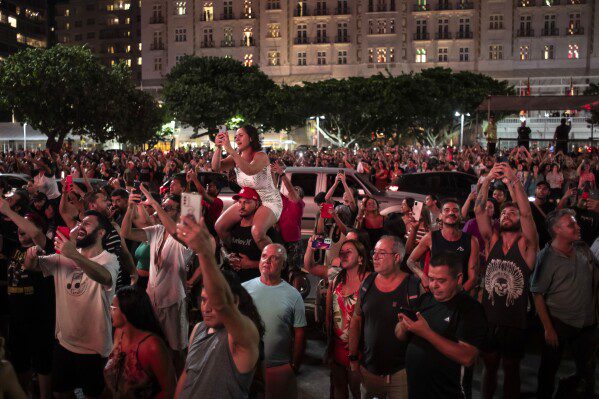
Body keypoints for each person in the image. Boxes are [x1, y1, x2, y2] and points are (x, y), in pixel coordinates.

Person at [24, 210, 120, 399]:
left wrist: (75, 255)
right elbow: (32, 266)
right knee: (61, 393)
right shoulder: (63, 256)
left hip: (94, 348)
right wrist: (31, 255)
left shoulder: (109, 259)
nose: (81, 226)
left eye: (87, 224)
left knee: (96, 394)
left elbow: (105, 277)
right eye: (80, 222)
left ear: (101, 233)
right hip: (65, 343)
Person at [175, 216, 263, 399]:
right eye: (203, 300)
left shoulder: (243, 337)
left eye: (212, 301)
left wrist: (205, 254)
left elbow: (222, 306)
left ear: (235, 302)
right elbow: (187, 374)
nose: (206, 308)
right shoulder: (199, 329)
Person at [475, 163, 538, 399]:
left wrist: (513, 181)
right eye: (503, 213)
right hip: (489, 319)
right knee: (489, 369)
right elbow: (480, 211)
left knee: (511, 371)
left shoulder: (526, 245)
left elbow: (526, 212)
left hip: (514, 321)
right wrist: (488, 180)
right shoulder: (491, 241)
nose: (506, 215)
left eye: (511, 213)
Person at [121, 186, 195, 374]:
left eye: (168, 208)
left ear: (180, 212)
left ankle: (179, 383)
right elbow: (127, 233)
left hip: (172, 300)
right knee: (157, 343)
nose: (160, 210)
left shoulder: (186, 234)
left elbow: (176, 233)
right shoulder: (157, 231)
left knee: (177, 348)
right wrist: (130, 208)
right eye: (163, 206)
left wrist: (154, 203)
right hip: (152, 299)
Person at [396, 252, 487, 399]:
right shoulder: (425, 300)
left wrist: (427, 333)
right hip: (416, 391)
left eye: (441, 280)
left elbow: (468, 356)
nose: (434, 285)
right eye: (431, 279)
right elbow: (399, 335)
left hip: (449, 393)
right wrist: (403, 326)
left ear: (458, 279)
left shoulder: (470, 309)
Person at [530, 208, 598, 399]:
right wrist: (548, 328)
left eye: (576, 222)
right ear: (557, 230)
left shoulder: (582, 247)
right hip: (559, 323)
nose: (578, 226)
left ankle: (575, 389)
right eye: (571, 225)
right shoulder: (546, 257)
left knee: (587, 369)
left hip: (588, 323)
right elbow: (537, 293)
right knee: (548, 369)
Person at [348, 236, 421, 399]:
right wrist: (353, 359)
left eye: (381, 253)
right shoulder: (367, 283)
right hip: (368, 372)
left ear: (397, 257)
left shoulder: (413, 287)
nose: (374, 256)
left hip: (402, 374)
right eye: (374, 252)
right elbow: (356, 319)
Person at [0, 198, 54, 399]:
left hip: (39, 317)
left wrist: (9, 211)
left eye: (24, 225)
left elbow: (37, 234)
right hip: (17, 318)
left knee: (42, 364)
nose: (19, 230)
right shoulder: (12, 248)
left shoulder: (45, 250)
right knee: (20, 364)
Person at [243, 244, 307, 399]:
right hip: (247, 366)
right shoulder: (243, 290)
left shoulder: (293, 296)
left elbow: (300, 334)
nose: (267, 261)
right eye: (264, 256)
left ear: (283, 264)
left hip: (278, 367)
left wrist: (294, 366)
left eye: (274, 258)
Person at [213, 125, 283, 251]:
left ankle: (274, 261)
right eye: (235, 137)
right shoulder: (236, 156)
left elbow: (250, 170)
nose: (237, 139)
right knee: (220, 227)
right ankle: (235, 255)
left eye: (241, 135)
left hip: (268, 201)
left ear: (251, 138)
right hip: (248, 200)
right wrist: (218, 148)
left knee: (257, 233)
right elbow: (216, 167)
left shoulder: (261, 156)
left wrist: (231, 151)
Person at [104, 285, 177, 398]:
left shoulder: (152, 347)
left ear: (126, 312)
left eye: (113, 308)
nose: (110, 311)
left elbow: (169, 390)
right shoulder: (120, 332)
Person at [326, 239, 372, 399]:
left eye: (349, 252)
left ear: (361, 258)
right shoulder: (337, 278)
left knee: (359, 391)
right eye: (342, 252)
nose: (343, 255)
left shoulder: (370, 281)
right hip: (337, 346)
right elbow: (329, 314)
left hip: (361, 349)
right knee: (339, 387)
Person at [408, 198, 479, 292]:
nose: (451, 213)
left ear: (460, 215)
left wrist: (458, 295)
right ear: (440, 215)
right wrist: (423, 276)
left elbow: (473, 277)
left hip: (459, 295)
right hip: (434, 294)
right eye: (446, 210)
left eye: (455, 210)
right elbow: (410, 261)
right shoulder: (430, 237)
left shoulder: (472, 241)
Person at [271, 162, 305, 277]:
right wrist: (272, 173)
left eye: (297, 191)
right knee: (281, 269)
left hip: (293, 242)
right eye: (294, 190)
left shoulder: (299, 204)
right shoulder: (285, 201)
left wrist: (282, 174)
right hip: (281, 240)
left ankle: (295, 293)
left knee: (294, 271)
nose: (294, 192)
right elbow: (274, 190)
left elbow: (290, 190)